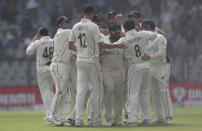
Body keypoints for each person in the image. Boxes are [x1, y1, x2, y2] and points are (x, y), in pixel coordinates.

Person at [68, 5, 128, 127]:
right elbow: (103, 45)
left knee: (81, 90)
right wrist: (119, 46)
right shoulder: (93, 26)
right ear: (91, 13)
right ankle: (95, 119)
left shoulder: (76, 26)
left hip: (80, 61)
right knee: (98, 89)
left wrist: (80, 51)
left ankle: (79, 119)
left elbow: (70, 45)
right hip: (91, 60)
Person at [118, 20, 157, 126]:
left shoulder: (124, 39)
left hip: (135, 66)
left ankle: (133, 119)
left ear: (125, 29)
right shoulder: (142, 34)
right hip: (146, 65)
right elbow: (154, 36)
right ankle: (148, 119)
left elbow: (112, 46)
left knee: (133, 94)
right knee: (144, 93)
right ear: (135, 27)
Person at [141, 20, 173, 125]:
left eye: (143, 29)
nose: (142, 31)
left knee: (163, 92)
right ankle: (160, 118)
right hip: (150, 67)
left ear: (149, 28)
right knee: (155, 94)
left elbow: (162, 53)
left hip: (161, 67)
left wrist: (149, 57)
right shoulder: (145, 40)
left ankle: (168, 118)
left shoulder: (160, 38)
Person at [26, 27, 54, 121]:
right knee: (52, 92)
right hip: (53, 68)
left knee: (46, 92)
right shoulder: (53, 41)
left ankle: (50, 114)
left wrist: (33, 41)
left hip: (42, 69)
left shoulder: (38, 42)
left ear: (39, 35)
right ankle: (53, 113)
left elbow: (28, 52)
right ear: (48, 33)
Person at [48, 16, 72, 126]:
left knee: (62, 92)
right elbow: (81, 32)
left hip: (62, 65)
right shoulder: (64, 32)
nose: (68, 23)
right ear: (60, 25)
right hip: (59, 65)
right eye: (65, 22)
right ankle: (51, 116)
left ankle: (58, 118)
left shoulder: (63, 33)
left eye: (68, 21)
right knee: (60, 91)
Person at [100, 24, 125, 126]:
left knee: (119, 96)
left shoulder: (123, 41)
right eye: (116, 32)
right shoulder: (103, 41)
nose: (118, 34)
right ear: (110, 32)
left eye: (119, 32)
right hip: (106, 70)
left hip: (119, 70)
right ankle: (109, 119)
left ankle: (118, 120)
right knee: (109, 93)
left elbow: (127, 56)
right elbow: (99, 54)